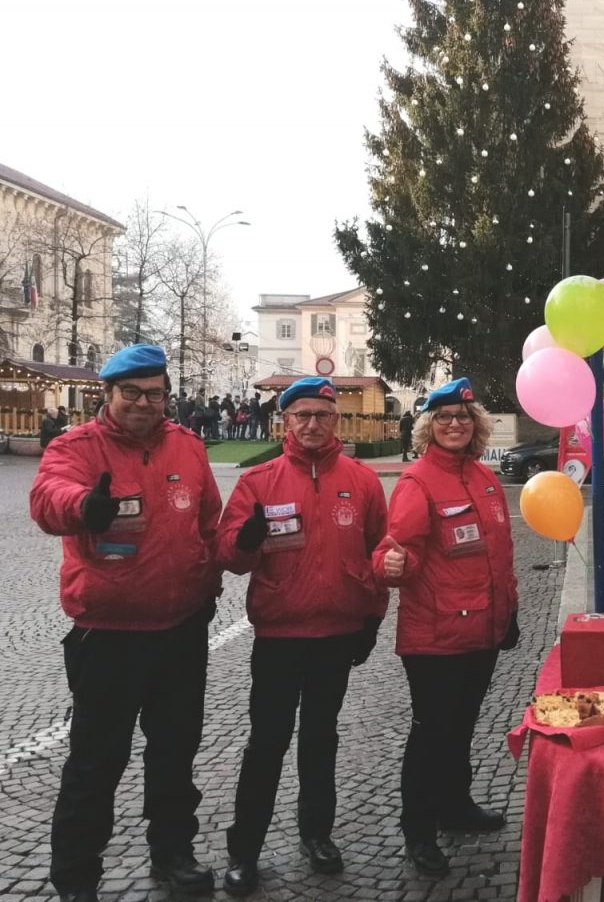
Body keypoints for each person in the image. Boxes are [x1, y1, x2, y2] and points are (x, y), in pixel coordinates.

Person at [29, 344, 224, 902]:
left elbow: (208, 522)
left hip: (182, 629)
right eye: (132, 393)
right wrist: (81, 507)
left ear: (167, 394)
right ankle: (76, 875)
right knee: (96, 759)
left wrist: (209, 581)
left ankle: (173, 852)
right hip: (108, 635)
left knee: (175, 751)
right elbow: (48, 495)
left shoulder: (187, 446)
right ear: (109, 395)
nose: (144, 403)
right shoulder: (78, 446)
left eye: (154, 393)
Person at [215, 376, 388, 895]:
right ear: (285, 421)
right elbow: (229, 555)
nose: (312, 424)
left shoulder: (361, 481)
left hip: (336, 634)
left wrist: (373, 618)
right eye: (302, 416)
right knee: (266, 743)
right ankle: (245, 849)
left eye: (322, 415)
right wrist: (244, 543)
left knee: (321, 739)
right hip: (279, 636)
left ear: (336, 420)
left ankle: (317, 834)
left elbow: (382, 554)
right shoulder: (259, 481)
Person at [373, 378, 519, 877]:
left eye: (462, 417)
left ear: (474, 425)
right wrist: (391, 565)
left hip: (483, 631)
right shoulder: (417, 482)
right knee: (431, 733)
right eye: (443, 418)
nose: (453, 424)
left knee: (461, 729)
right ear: (428, 427)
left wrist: (511, 611)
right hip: (436, 637)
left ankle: (455, 806)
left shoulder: (485, 479)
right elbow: (394, 549)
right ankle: (418, 830)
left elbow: (500, 555)